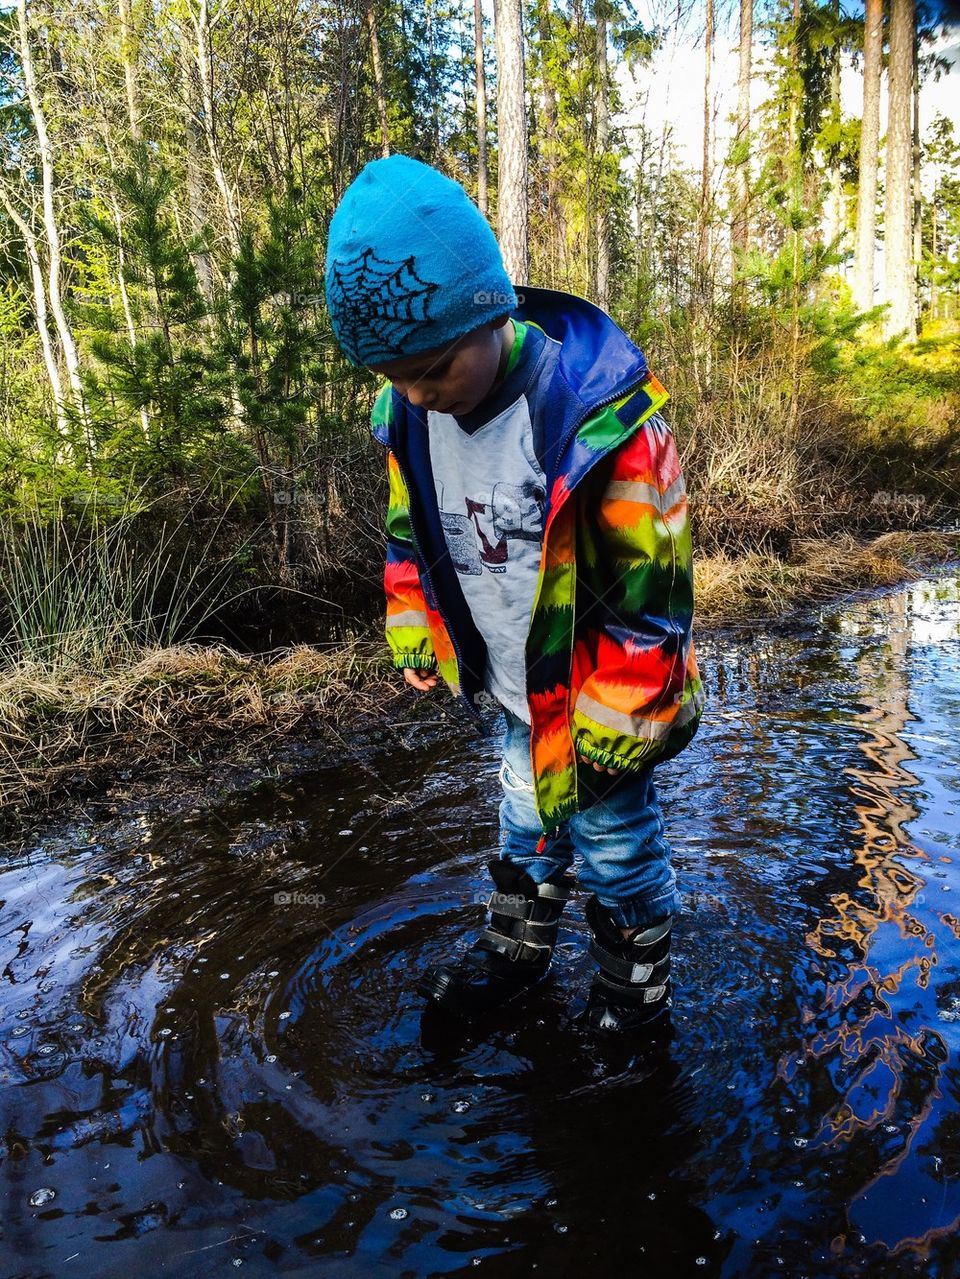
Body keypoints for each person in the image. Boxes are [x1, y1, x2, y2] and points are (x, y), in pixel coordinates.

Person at [324, 154, 704, 1033]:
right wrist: (412, 613)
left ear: (488, 311)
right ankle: (518, 950)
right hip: (514, 690)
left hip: (603, 702)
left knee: (616, 849)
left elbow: (655, 588)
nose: (417, 393)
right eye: (396, 378)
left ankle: (631, 998)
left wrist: (623, 714)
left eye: (432, 368)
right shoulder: (411, 416)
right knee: (522, 815)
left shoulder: (595, 418)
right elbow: (408, 529)